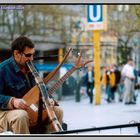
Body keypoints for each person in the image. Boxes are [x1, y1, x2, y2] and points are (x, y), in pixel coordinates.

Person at [0, 35, 63, 134]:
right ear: (16, 53)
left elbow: (41, 88)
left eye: (33, 54)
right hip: (6, 112)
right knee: (21, 115)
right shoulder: (2, 70)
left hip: (32, 108)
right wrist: (12, 101)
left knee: (58, 110)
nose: (32, 58)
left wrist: (49, 99)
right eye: (28, 55)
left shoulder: (32, 68)